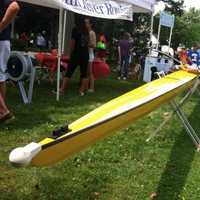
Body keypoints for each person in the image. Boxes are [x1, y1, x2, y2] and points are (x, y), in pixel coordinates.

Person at [0, 0, 20, 122]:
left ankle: (4, 111)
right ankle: (2, 113)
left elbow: (15, 6)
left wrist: (0, 27)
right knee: (1, 77)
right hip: (3, 41)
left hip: (1, 41)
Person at [59, 18, 89, 96]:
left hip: (76, 54)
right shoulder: (86, 30)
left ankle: (62, 90)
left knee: (69, 71)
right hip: (85, 54)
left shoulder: (75, 29)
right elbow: (87, 43)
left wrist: (70, 53)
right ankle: (81, 91)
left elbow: (73, 42)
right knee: (84, 73)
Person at [85, 18, 96, 93]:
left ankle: (92, 88)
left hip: (90, 54)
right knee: (86, 72)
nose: (85, 24)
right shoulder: (86, 32)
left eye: (87, 23)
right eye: (85, 23)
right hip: (86, 54)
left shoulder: (92, 33)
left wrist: (86, 45)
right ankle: (86, 87)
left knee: (90, 72)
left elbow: (94, 45)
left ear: (90, 24)